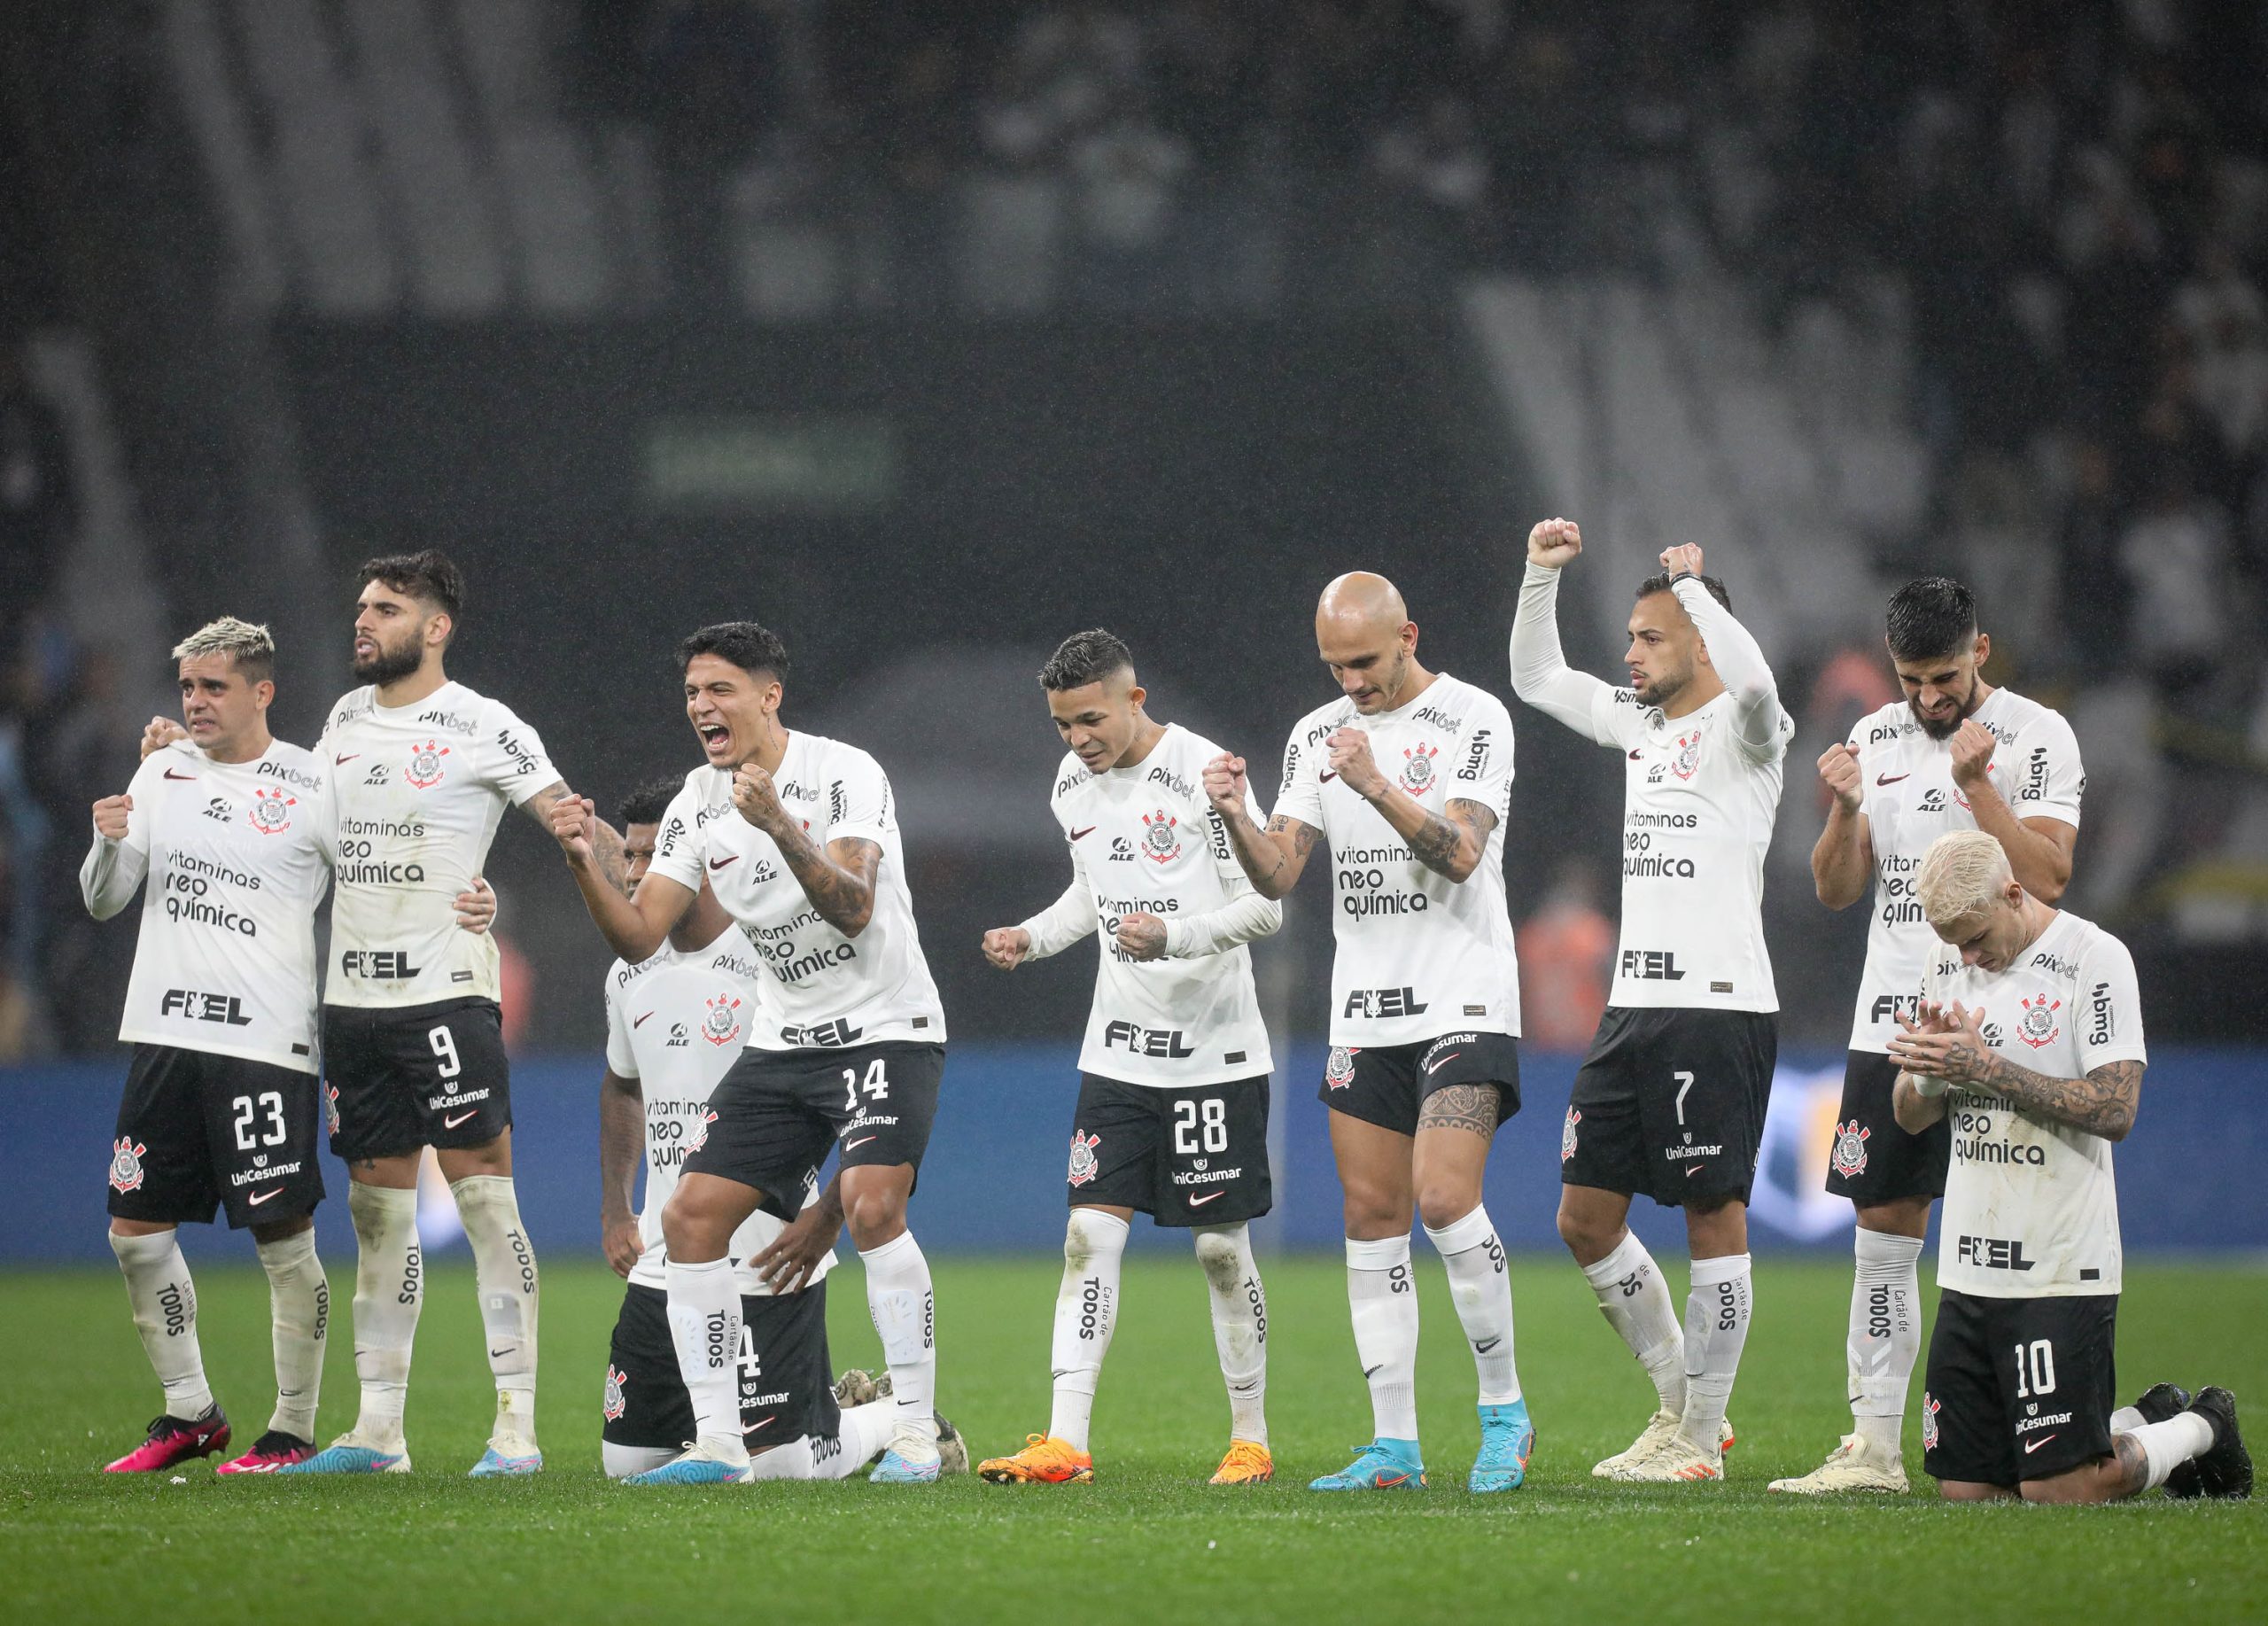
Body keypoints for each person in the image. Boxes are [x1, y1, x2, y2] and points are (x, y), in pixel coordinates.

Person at [82, 618, 492, 1474]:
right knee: (133, 1228)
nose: (194, 702)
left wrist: (466, 906)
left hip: (265, 1039)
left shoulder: (312, 781)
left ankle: (293, 1427)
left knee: (282, 1239)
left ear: (261, 691)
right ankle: (189, 1410)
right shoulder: (159, 771)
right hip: (163, 1032)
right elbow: (105, 901)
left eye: (213, 687)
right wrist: (109, 840)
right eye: (187, 687)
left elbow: (385, 872)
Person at [551, 621, 950, 1485]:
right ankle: (721, 1447)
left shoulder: (844, 773)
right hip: (787, 1036)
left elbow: (850, 906)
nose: (701, 706)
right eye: (692, 691)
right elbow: (638, 934)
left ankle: (918, 1432)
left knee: (877, 1205)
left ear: (769, 695)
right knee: (690, 1217)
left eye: (719, 688)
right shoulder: (697, 799)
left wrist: (777, 824)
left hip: (885, 1021)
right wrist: (585, 860)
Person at [1207, 573, 1533, 1495]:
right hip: (1366, 1003)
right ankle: (1394, 1443)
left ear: (1407, 635)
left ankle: (1506, 1413)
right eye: (1333, 665)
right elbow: (1277, 873)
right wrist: (1234, 815)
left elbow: (1461, 851)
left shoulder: (1474, 719)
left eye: (1364, 660)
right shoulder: (1313, 735)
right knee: (1371, 1214)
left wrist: (1376, 781)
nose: (1350, 680)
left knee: (1440, 1197)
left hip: (1463, 995)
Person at [288, 551, 607, 1477]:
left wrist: (508, 903)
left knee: (483, 1202)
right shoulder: (343, 718)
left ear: (435, 628)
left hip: (445, 997)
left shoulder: (481, 723)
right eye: (360, 606)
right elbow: (300, 826)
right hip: (353, 1000)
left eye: (385, 608)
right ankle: (378, 1430)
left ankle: (516, 1428)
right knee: (377, 1213)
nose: (364, 620)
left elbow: (567, 820)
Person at [1774, 578, 2086, 1495]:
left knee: (2010, 1232)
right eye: (1910, 678)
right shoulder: (1874, 738)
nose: (1928, 698)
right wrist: (1839, 810)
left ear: (1980, 650)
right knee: (1882, 1227)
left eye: (1943, 676)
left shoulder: (2037, 736)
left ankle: (2045, 1434)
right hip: (1894, 1018)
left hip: (2012, 1018)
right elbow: (1836, 891)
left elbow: (2050, 877)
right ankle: (1871, 1447)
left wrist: (1978, 785)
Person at [1509, 520, 1789, 1483]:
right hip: (1630, 1008)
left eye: (1649, 636)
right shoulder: (1638, 724)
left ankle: (1701, 1436)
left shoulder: (1752, 735)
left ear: (1701, 639)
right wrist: (1540, 574)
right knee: (1583, 1217)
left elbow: (1753, 683)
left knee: (1712, 1210)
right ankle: (1681, 1407)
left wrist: (1698, 589)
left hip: (1716, 1006)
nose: (1627, 652)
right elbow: (1537, 677)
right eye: (1629, 635)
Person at [975, 631, 1281, 1488]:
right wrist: (1032, 938)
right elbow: (1092, 894)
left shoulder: (1207, 770)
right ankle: (1065, 1439)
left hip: (1216, 1053)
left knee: (1220, 1251)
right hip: (1117, 1051)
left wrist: (1174, 935)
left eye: (1091, 718)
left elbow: (1267, 911)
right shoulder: (1072, 782)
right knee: (1085, 1236)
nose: (1077, 738)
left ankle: (1249, 1437)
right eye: (1064, 723)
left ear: (1135, 697)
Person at [1886, 830, 2249, 1504]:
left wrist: (1984, 1067)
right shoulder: (1946, 963)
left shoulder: (2093, 959)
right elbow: (1908, 1115)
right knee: (1969, 1493)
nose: (1967, 956)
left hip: (2059, 1267)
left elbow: (2116, 1108)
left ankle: (2201, 1424)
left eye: (1975, 936)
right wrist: (1930, 1076)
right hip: (1969, 1267)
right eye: (1953, 943)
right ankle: (2142, 1415)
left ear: (2014, 893)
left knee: (2060, 1490)